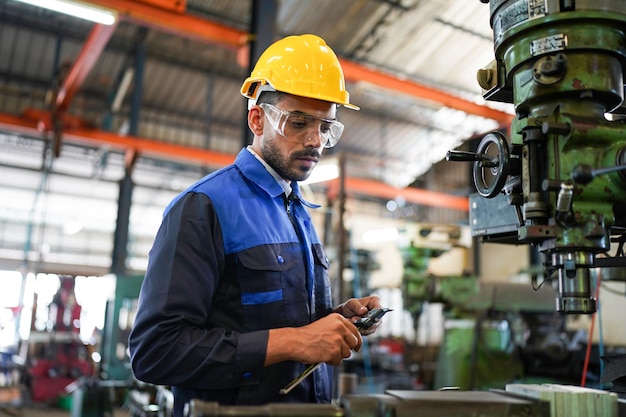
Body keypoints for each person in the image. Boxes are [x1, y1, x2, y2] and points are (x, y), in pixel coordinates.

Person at [128, 34, 382, 416]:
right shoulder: (205, 207)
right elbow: (155, 352)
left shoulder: (296, 209)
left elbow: (288, 326)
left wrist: (335, 320)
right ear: (257, 118)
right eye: (299, 122)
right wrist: (295, 342)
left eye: (326, 126)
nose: (315, 140)